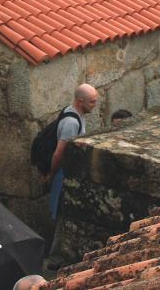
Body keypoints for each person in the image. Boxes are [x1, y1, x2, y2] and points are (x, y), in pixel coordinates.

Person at [46, 83, 98, 268]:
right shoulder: (71, 122)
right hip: (62, 174)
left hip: (65, 174)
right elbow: (59, 153)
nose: (95, 105)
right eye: (92, 102)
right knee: (61, 213)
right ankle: (54, 258)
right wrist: (51, 175)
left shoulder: (77, 114)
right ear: (80, 101)